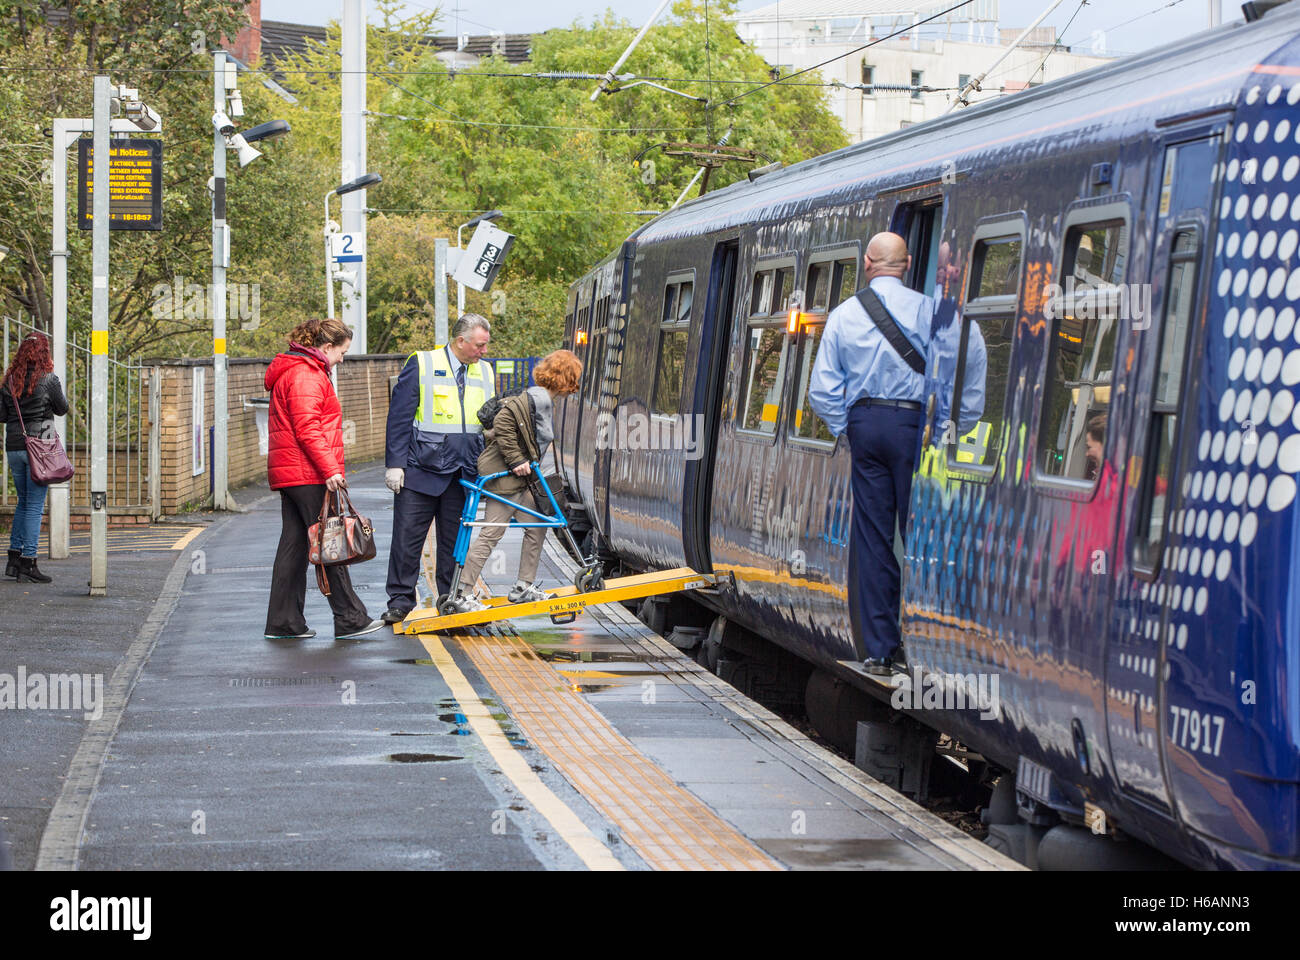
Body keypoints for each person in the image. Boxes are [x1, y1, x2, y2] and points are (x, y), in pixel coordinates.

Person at [809, 232, 936, 675]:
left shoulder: (845, 315)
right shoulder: (929, 312)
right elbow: (955, 377)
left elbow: (822, 390)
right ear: (909, 263)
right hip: (914, 427)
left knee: (874, 538)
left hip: (866, 423)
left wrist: (851, 429)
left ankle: (882, 650)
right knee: (921, 533)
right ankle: (928, 643)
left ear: (867, 263)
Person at [263, 318, 383, 641]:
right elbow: (308, 429)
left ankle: (284, 622)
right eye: (342, 352)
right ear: (326, 347)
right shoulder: (306, 374)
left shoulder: (295, 369)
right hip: (307, 472)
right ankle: (350, 618)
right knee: (331, 541)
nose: (343, 359)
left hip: (293, 472)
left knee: (294, 544)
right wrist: (330, 469)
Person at [448, 349, 583, 612]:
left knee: (537, 525)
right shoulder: (537, 399)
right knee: (492, 533)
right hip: (505, 477)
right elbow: (502, 423)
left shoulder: (542, 399)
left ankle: (523, 586)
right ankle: (462, 593)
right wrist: (516, 460)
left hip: (521, 480)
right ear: (567, 378)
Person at [381, 315, 495, 624]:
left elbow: (489, 423)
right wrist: (395, 464)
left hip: (462, 472)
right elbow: (400, 417)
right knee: (407, 539)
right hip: (421, 470)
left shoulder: (485, 371)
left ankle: (451, 595)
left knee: (454, 543)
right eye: (480, 345)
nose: (484, 351)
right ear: (461, 341)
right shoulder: (422, 363)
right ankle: (400, 600)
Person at [0, 332, 69, 584]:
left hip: (15, 447)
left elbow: (2, 415)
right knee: (34, 507)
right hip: (39, 449)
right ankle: (29, 561)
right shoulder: (49, 380)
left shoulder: (9, 380)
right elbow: (62, 409)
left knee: (23, 502)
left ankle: (14, 558)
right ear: (44, 353)